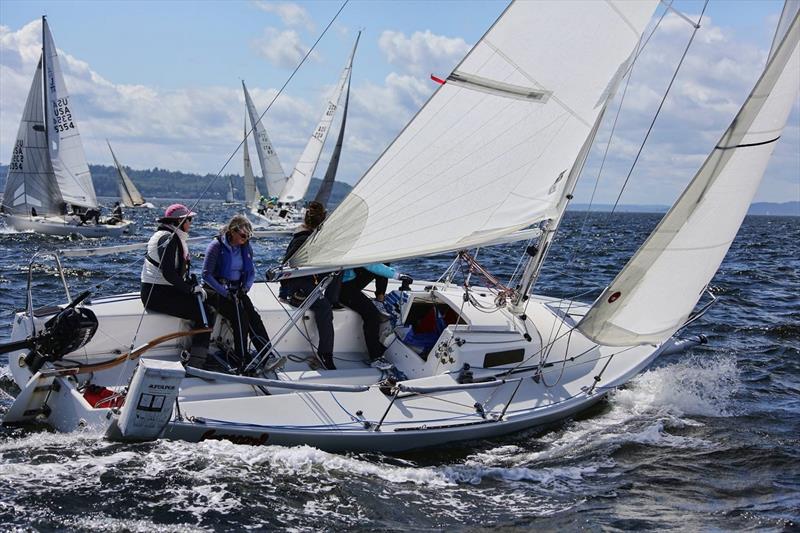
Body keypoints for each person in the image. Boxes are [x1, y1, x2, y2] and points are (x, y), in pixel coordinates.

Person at [140, 203, 212, 369]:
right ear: (180, 221)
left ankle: (193, 351)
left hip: (161, 291)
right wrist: (189, 289)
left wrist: (191, 286)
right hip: (156, 295)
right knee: (205, 312)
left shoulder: (166, 235)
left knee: (206, 302)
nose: (191, 223)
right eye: (190, 220)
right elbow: (168, 273)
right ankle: (197, 362)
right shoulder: (169, 239)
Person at [202, 215, 271, 367]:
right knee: (240, 316)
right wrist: (225, 292)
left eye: (248, 237)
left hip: (237, 290)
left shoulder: (245, 247)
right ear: (233, 232)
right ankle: (242, 356)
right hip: (215, 291)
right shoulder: (216, 246)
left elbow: (251, 272)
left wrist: (245, 288)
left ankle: (266, 353)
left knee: (253, 316)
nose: (245, 239)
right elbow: (206, 275)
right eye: (243, 236)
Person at [279, 201, 336, 370]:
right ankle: (325, 355)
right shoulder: (303, 239)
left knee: (326, 301)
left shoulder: (311, 238)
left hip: (305, 285)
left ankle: (325, 353)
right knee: (325, 308)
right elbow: (286, 266)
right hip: (294, 289)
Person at [339, 264, 413, 365]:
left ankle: (379, 300)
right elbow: (370, 264)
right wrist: (398, 276)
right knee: (372, 316)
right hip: (342, 287)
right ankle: (375, 357)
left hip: (349, 281)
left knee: (383, 263)